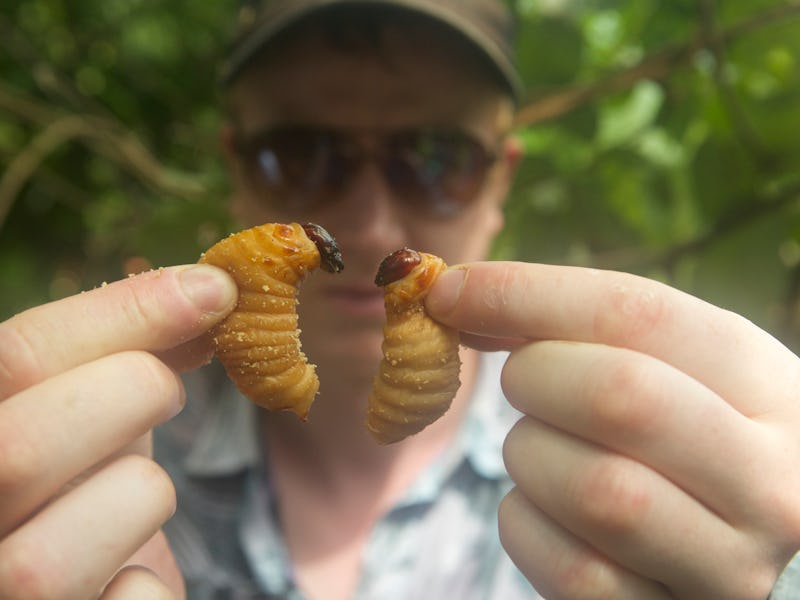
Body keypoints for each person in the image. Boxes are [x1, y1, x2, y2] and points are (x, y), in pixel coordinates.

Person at [2, 0, 800, 598]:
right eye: (302, 155)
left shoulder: (651, 477)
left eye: (436, 157)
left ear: (502, 180)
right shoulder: (87, 468)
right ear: (237, 166)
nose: (373, 219)